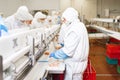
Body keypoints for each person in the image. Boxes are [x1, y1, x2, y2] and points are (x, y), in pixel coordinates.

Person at [49, 7, 89, 80]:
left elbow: (67, 51)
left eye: (64, 19)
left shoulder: (74, 30)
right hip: (78, 63)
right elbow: (75, 44)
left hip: (74, 65)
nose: (63, 21)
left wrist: (54, 54)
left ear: (70, 18)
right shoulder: (80, 25)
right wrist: (64, 45)